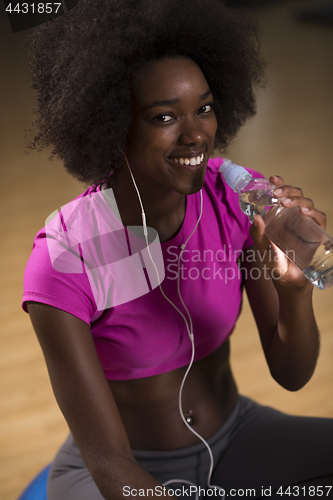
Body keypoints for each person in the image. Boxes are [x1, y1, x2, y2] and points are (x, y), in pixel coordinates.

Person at [22, 0, 333, 499]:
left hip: (234, 439)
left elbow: (292, 374)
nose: (197, 135)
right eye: (164, 116)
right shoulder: (63, 260)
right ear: (111, 124)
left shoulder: (238, 200)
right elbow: (109, 462)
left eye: (204, 108)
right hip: (122, 473)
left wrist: (295, 291)